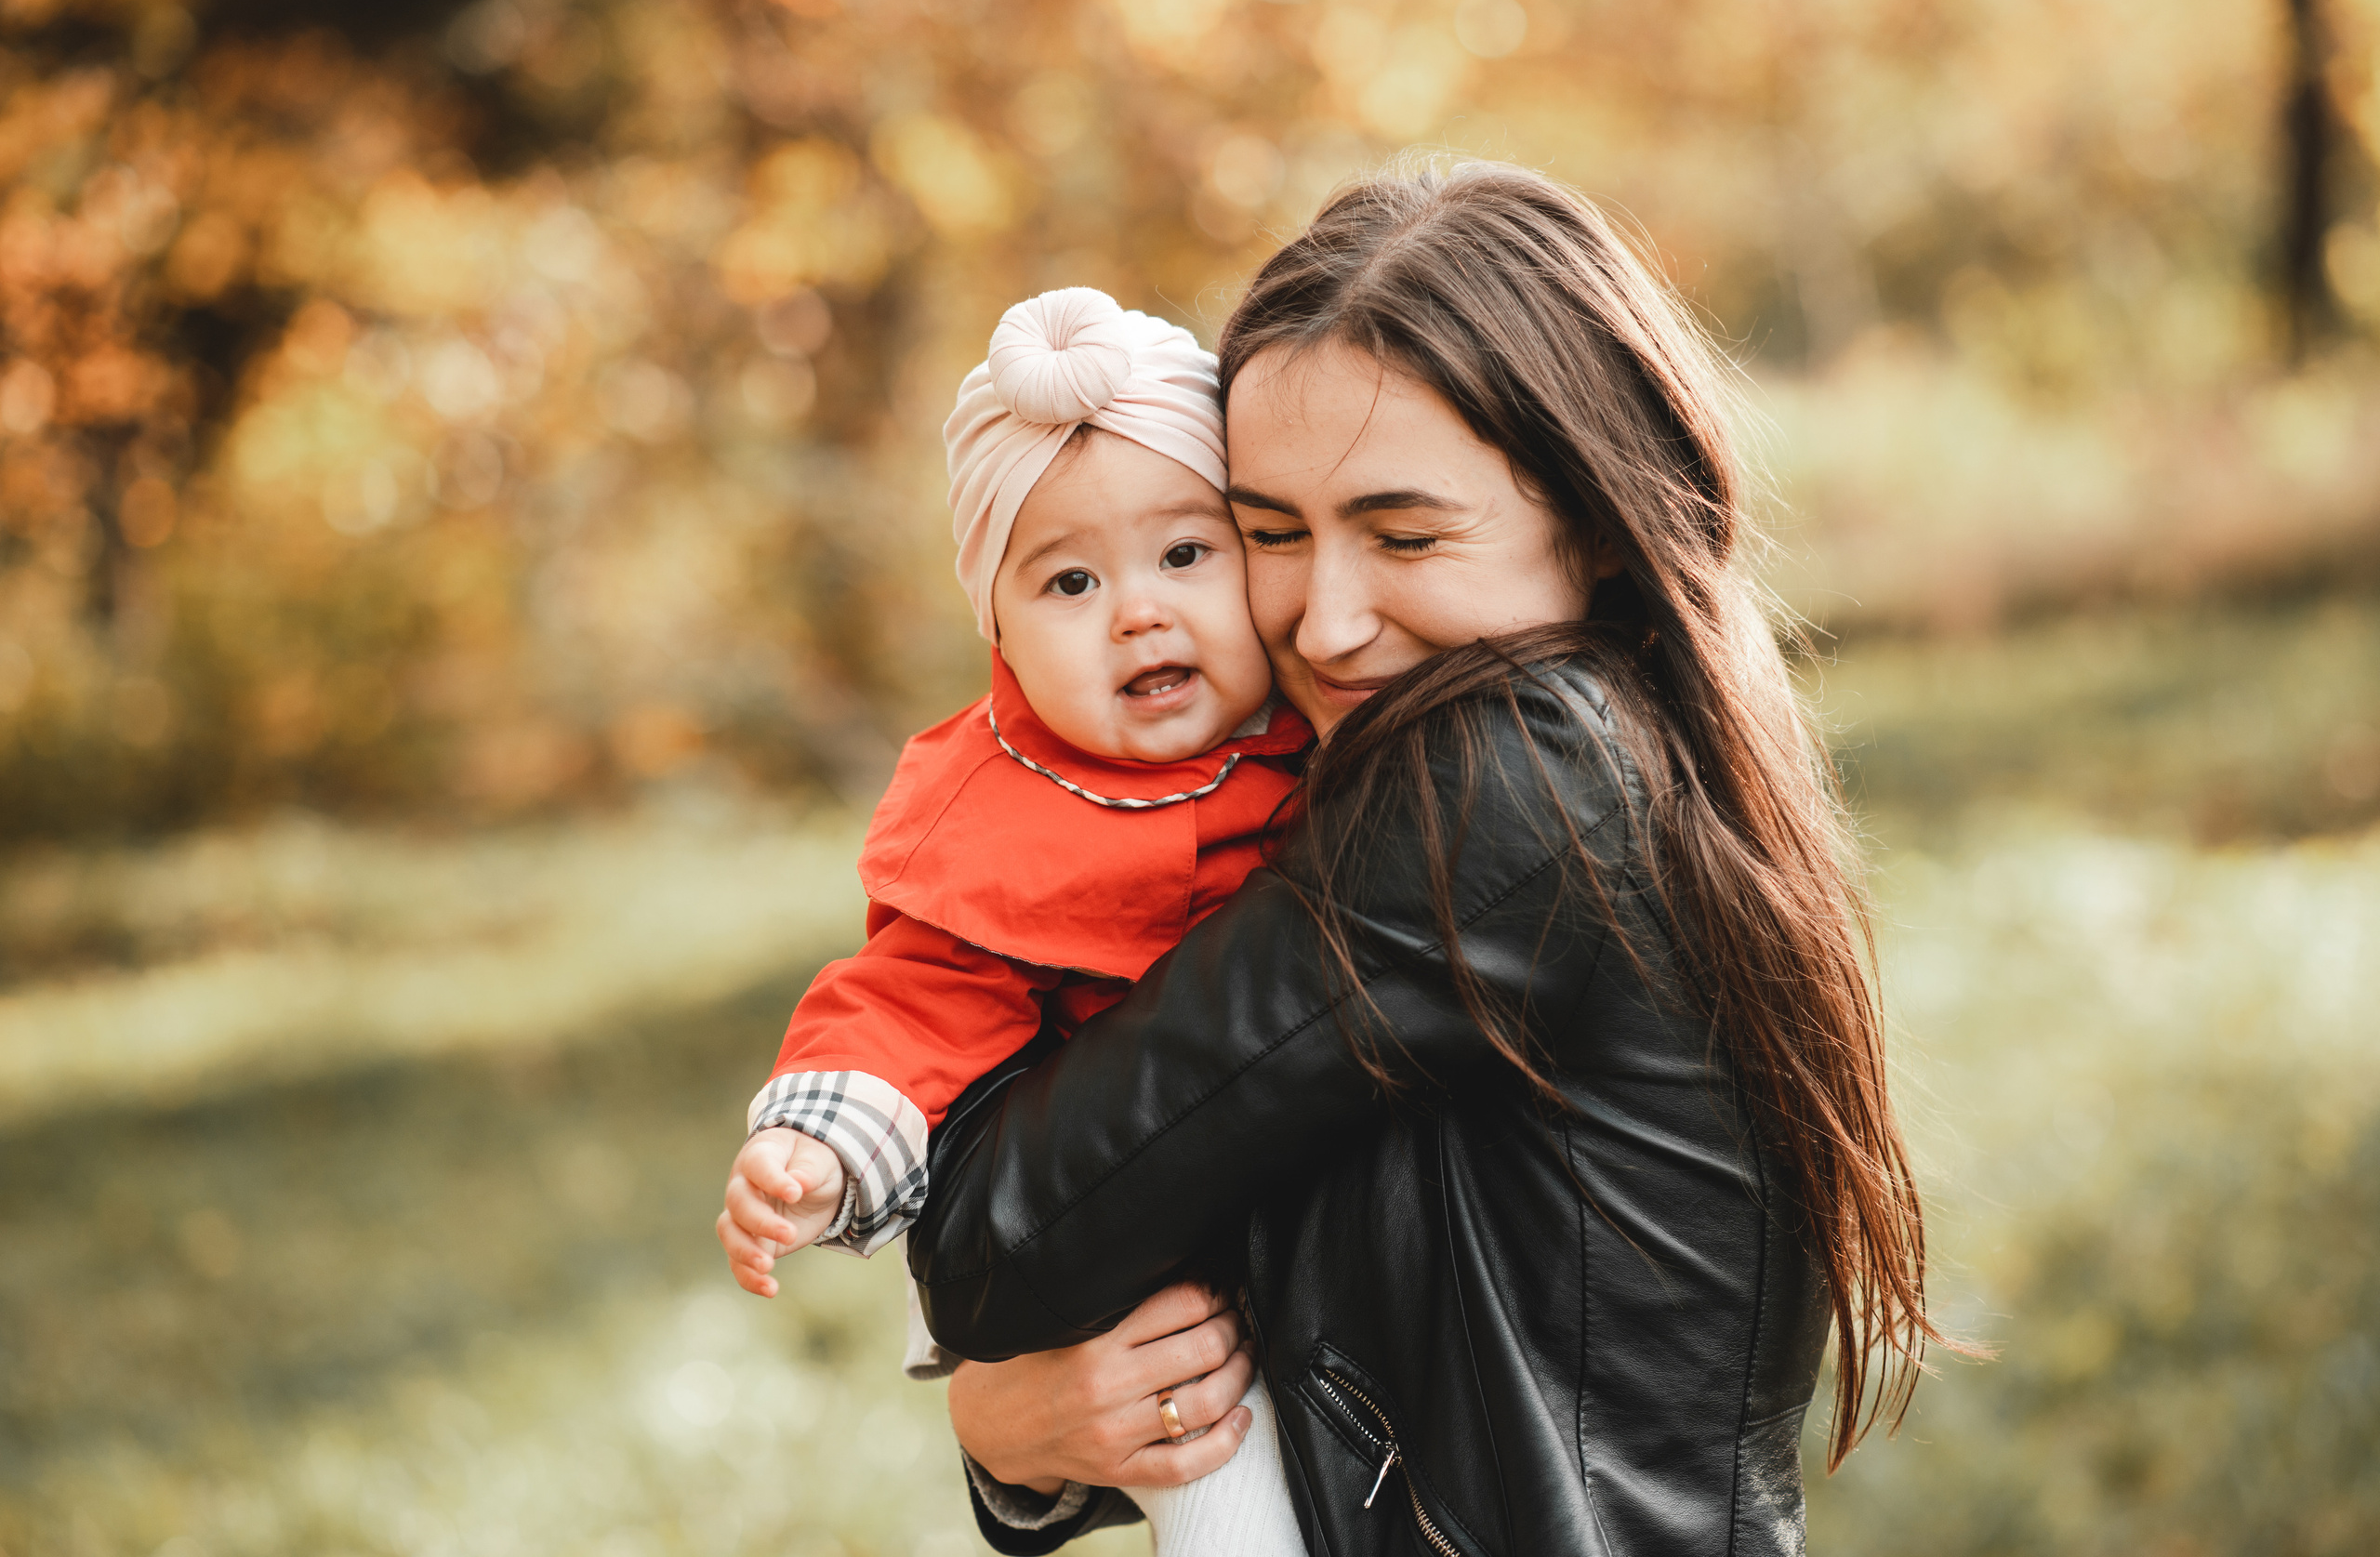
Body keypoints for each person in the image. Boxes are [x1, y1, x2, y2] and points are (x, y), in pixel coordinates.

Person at [911, 158, 1951, 1556]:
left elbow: (999, 1242)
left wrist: (988, 1375)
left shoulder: (1516, 780)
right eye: (1267, 534)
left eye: (1404, 534)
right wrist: (1029, 1444)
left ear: (1592, 510)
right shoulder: (1570, 759)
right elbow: (1376, 1332)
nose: (1327, 621)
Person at [713, 286, 1310, 1554]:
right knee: (1228, 1486)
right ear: (999, 630)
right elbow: (911, 1005)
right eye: (1072, 582)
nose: (1140, 610)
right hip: (1160, 1298)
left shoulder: (1334, 728)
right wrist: (822, 1151)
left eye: (1186, 555)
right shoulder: (1000, 813)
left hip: (1336, 1263)